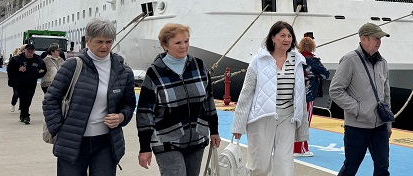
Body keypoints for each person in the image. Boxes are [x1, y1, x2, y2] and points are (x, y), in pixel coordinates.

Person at [43, 19, 136, 174]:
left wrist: (121, 117)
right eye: (99, 41)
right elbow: (50, 100)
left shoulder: (123, 71)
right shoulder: (72, 66)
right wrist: (58, 130)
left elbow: (129, 104)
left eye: (108, 41)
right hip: (73, 143)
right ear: (88, 40)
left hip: (106, 142)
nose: (104, 46)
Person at [137, 23, 220, 176]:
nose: (184, 46)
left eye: (186, 41)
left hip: (197, 138)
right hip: (166, 140)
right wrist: (144, 147)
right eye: (178, 43)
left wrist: (214, 131)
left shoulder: (199, 65)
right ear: (165, 45)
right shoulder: (155, 72)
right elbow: (145, 112)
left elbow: (208, 101)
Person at [232, 21, 309, 176]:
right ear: (273, 38)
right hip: (262, 117)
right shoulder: (258, 60)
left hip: (288, 118)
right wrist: (238, 125)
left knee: (285, 163)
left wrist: (303, 127)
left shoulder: (297, 61)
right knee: (259, 165)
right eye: (282, 35)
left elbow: (301, 96)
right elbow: (247, 93)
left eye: (289, 36)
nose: (287, 39)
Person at [330, 23, 393, 176]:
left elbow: (386, 94)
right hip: (357, 126)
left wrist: (388, 123)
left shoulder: (382, 62)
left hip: (380, 126)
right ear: (363, 39)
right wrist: (357, 109)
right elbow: (335, 90)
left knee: (382, 166)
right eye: (376, 38)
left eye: (380, 39)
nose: (379, 42)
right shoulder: (350, 60)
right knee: (351, 166)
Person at [293, 36, 330, 157]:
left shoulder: (295, 58)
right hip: (308, 94)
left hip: (294, 94)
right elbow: (325, 74)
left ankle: (292, 147)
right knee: (305, 121)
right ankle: (300, 149)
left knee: (295, 121)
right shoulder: (312, 61)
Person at [7, 44, 46, 124]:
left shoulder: (38, 60)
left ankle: (23, 114)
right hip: (20, 82)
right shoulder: (17, 59)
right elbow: (10, 70)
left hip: (32, 82)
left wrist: (39, 73)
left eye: (31, 50)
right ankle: (26, 116)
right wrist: (18, 70)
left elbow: (43, 70)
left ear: (34, 51)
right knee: (23, 97)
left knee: (28, 99)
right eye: (28, 50)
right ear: (24, 50)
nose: (30, 52)